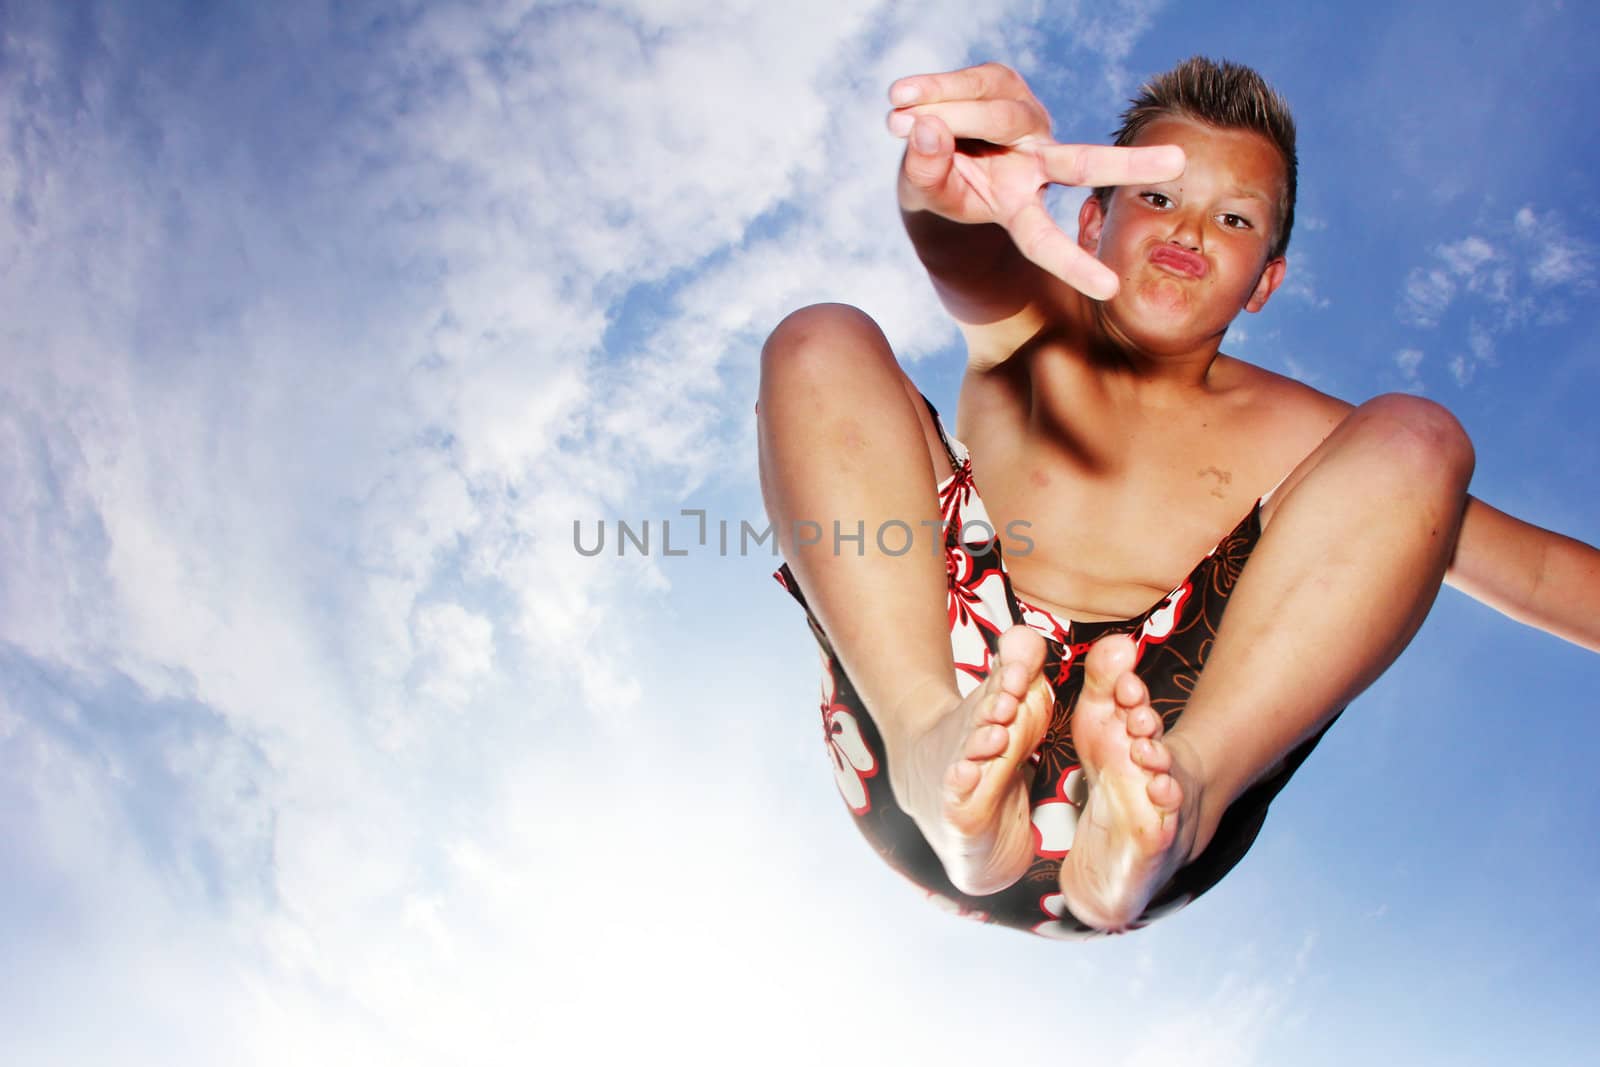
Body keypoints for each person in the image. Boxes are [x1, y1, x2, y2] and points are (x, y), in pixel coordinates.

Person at [757, 57, 1600, 937]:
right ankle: (933, 744)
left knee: (1420, 440)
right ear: (1089, 220)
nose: (1190, 230)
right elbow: (963, 250)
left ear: (1265, 281)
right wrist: (955, 190)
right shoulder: (1029, 332)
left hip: (1161, 765)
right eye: (1157, 197)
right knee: (821, 339)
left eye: (1233, 218)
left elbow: (1537, 571)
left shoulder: (1307, 438)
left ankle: (1173, 806)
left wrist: (1173, 785)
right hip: (923, 727)